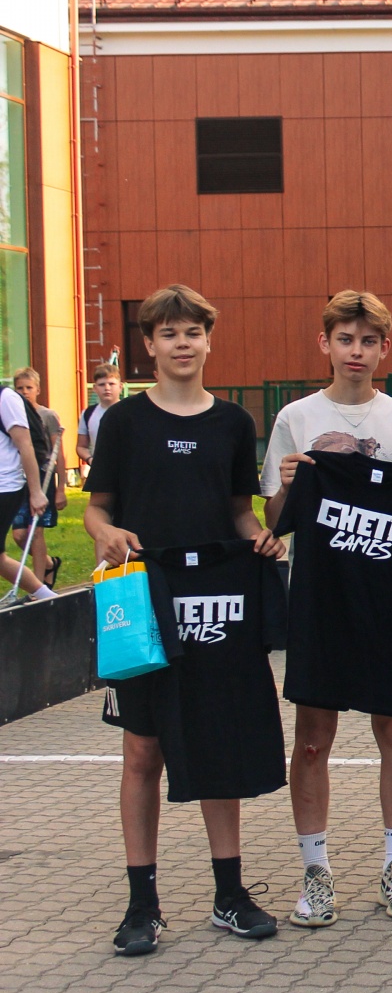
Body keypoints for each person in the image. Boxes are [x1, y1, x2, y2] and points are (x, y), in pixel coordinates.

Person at [86, 285, 288, 953]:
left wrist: (260, 538)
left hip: (215, 603)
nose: (182, 344)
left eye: (192, 332)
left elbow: (238, 512)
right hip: (143, 601)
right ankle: (141, 905)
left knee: (216, 744)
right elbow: (96, 509)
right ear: (149, 344)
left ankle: (230, 895)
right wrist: (106, 534)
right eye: (168, 333)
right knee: (142, 751)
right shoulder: (123, 422)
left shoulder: (231, 422)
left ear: (208, 340)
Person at [261, 291, 392, 927]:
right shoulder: (296, 417)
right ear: (324, 344)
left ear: (385, 349)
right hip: (320, 599)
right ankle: (316, 873)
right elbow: (275, 520)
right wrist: (287, 484)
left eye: (367, 341)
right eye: (344, 340)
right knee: (311, 741)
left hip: (387, 601)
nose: (355, 352)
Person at [0, 375, 56, 604]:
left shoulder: (6, 398)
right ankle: (47, 597)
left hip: (5, 486)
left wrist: (36, 492)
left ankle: (47, 597)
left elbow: (25, 444)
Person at [10, 367, 64, 584]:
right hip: (18, 477)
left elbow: (58, 453)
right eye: (20, 388)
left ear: (38, 390)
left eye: (29, 388)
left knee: (36, 531)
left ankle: (39, 583)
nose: (24, 392)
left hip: (42, 477)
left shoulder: (47, 415)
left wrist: (61, 488)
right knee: (19, 535)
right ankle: (49, 563)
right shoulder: (12, 414)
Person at [78, 363, 123, 483]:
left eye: (111, 384)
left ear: (120, 386)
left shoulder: (132, 412)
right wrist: (90, 460)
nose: (107, 388)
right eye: (102, 384)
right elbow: (81, 446)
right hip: (101, 473)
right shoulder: (88, 414)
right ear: (95, 388)